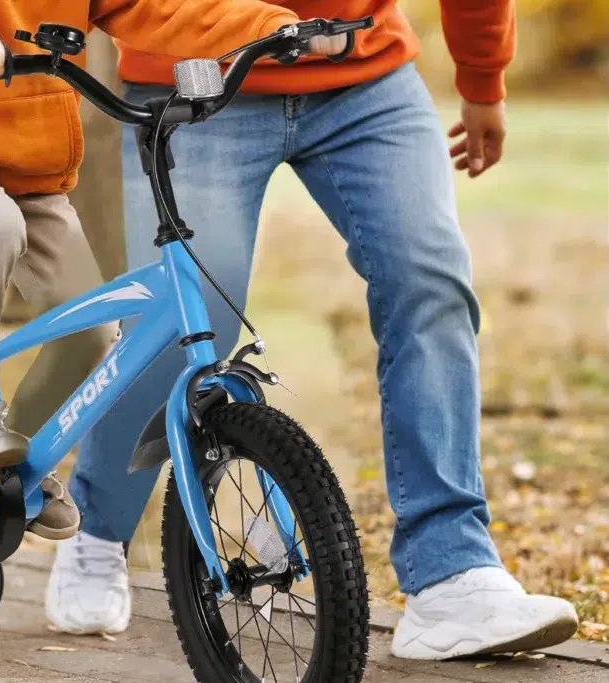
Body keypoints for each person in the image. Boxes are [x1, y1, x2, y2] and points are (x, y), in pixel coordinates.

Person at [45, 0, 583, 660]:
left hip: (363, 79)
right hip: (195, 79)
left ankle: (451, 573)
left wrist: (481, 78)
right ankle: (97, 530)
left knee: (429, 282)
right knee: (182, 326)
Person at [0, 0, 319, 540]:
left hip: (28, 172)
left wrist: (267, 26)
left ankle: (3, 472)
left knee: (92, 334)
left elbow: (155, 9)